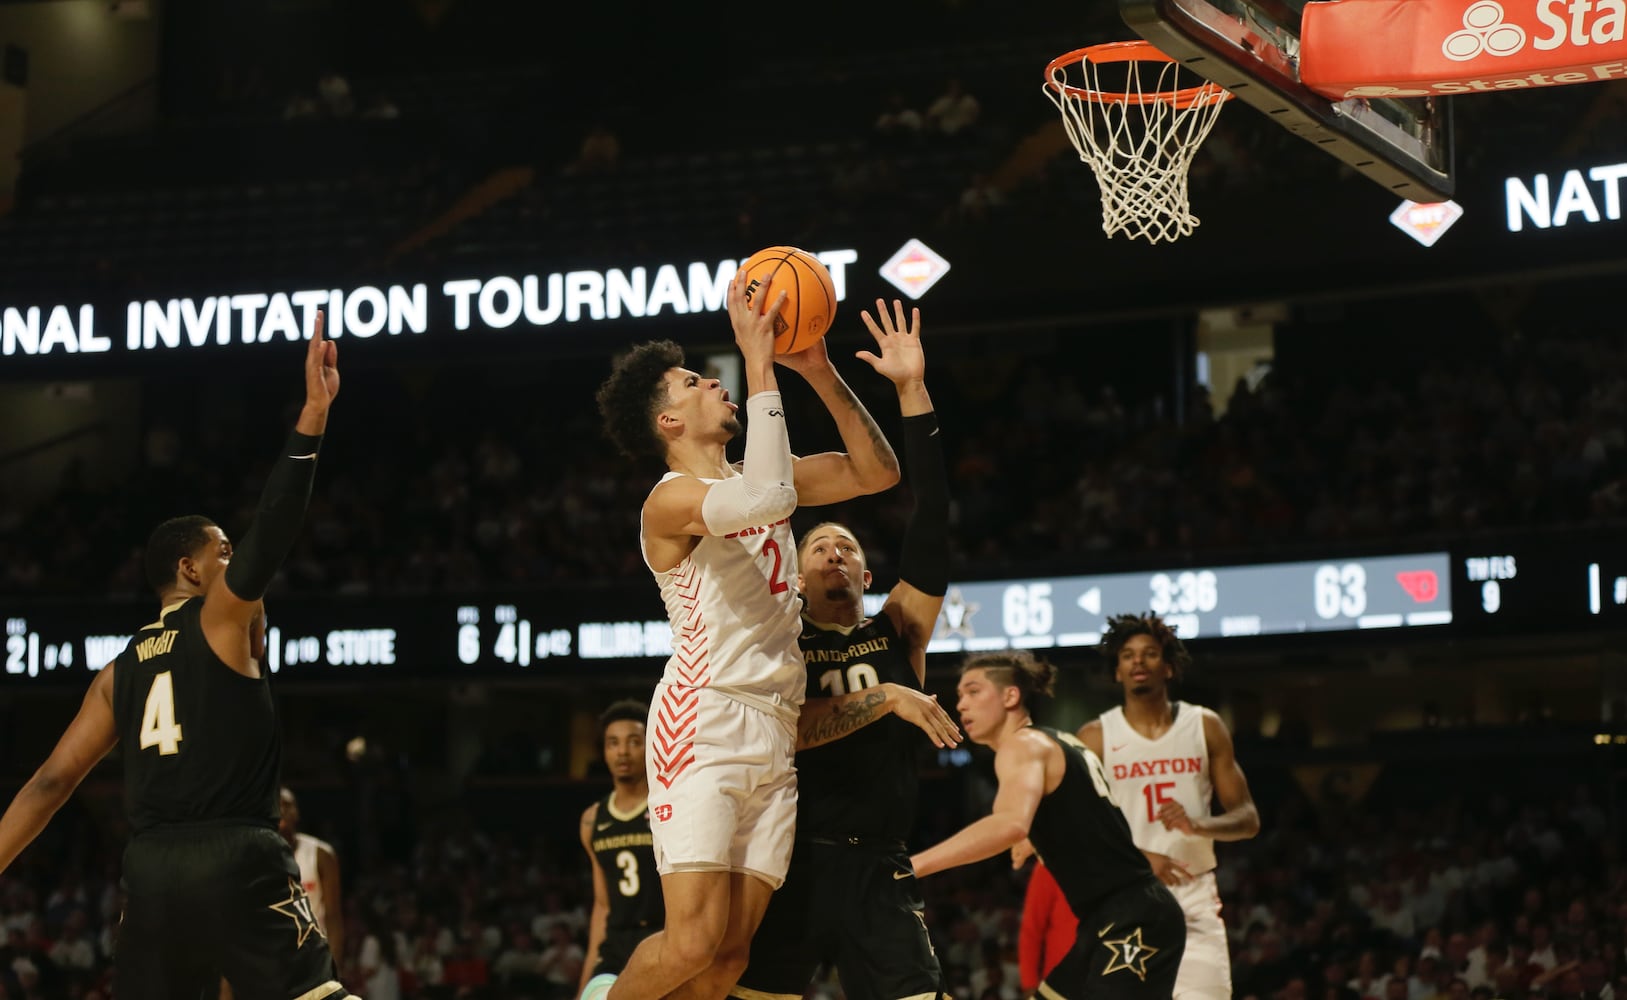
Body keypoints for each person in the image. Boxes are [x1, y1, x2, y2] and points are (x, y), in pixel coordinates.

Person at [0, 312, 349, 1000]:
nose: (233, 563)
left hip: (152, 871)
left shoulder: (116, 671)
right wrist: (312, 417)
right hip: (236, 854)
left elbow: (49, 784)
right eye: (221, 553)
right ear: (189, 571)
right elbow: (273, 532)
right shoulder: (220, 616)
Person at [592, 271, 907, 1000]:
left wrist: (817, 371)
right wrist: (758, 361)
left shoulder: (759, 475)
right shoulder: (669, 502)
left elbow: (877, 472)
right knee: (690, 941)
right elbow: (765, 499)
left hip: (775, 727)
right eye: (695, 382)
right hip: (702, 719)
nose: (716, 382)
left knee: (730, 958)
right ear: (667, 423)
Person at [728, 300, 960, 1000]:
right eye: (818, 543)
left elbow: (934, 515)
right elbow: (792, 734)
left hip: (877, 868)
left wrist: (911, 390)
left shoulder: (898, 629)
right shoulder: (779, 638)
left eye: (848, 547)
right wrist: (884, 697)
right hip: (787, 860)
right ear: (795, 575)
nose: (834, 548)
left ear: (865, 576)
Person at [912, 651, 1186, 1000]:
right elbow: (1085, 815)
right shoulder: (1057, 739)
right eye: (960, 695)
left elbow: (1009, 824)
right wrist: (1039, 839)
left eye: (973, 691)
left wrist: (913, 866)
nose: (961, 704)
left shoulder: (1022, 745)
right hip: (1108, 919)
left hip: (1133, 918)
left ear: (1010, 696)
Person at [1077, 613, 1261, 1000]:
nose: (1137, 662)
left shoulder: (1204, 725)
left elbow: (1248, 819)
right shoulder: (1095, 737)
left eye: (1148, 654)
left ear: (1169, 667)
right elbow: (1079, 829)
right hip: (1126, 897)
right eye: (1127, 656)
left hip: (1193, 892)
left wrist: (1201, 825)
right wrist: (1141, 857)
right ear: (1117, 671)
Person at [579, 700, 664, 1000]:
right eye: (613, 743)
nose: (623, 752)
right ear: (603, 750)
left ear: (650, 745)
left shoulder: (666, 809)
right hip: (615, 947)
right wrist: (584, 980)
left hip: (661, 941)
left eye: (634, 742)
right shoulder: (592, 820)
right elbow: (602, 906)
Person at [1018, 860, 1079, 994]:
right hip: (1061, 984)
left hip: (1109, 979)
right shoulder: (1050, 863)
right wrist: (1029, 984)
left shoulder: (1115, 857)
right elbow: (1031, 929)